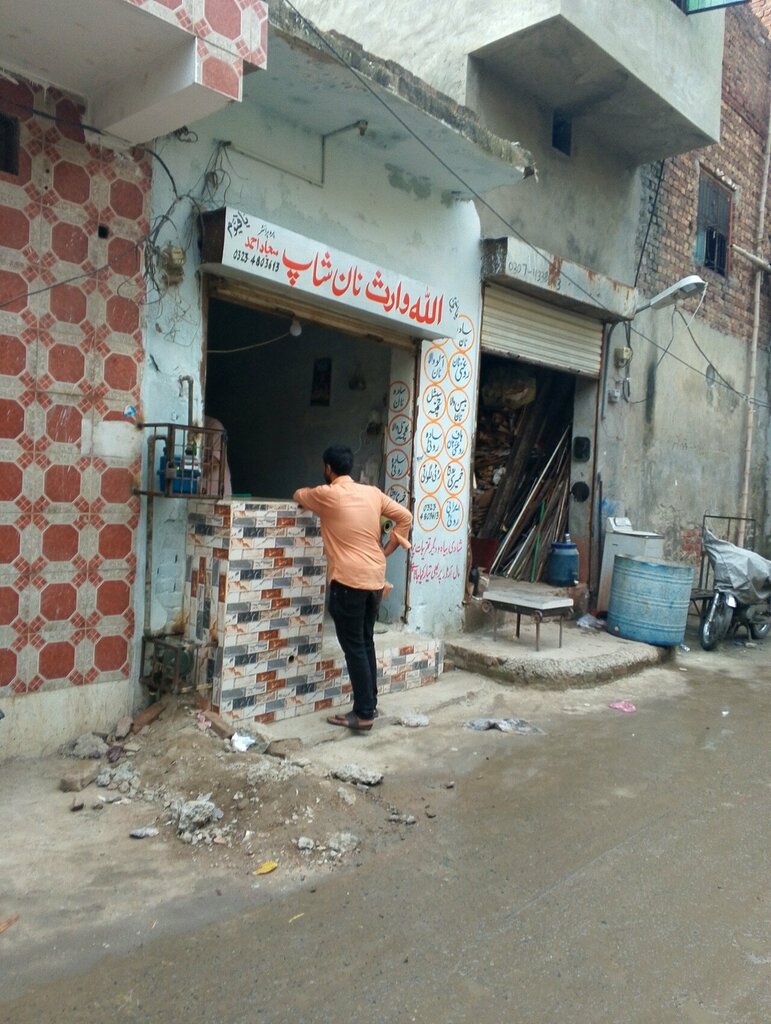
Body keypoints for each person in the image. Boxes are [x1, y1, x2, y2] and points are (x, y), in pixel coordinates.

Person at [294, 445, 412, 732]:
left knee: (355, 647)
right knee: (366, 641)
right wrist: (387, 549)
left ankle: (363, 714)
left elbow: (298, 495)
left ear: (328, 469)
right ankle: (369, 703)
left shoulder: (327, 494)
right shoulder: (372, 493)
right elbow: (405, 517)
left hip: (349, 582)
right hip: (375, 579)